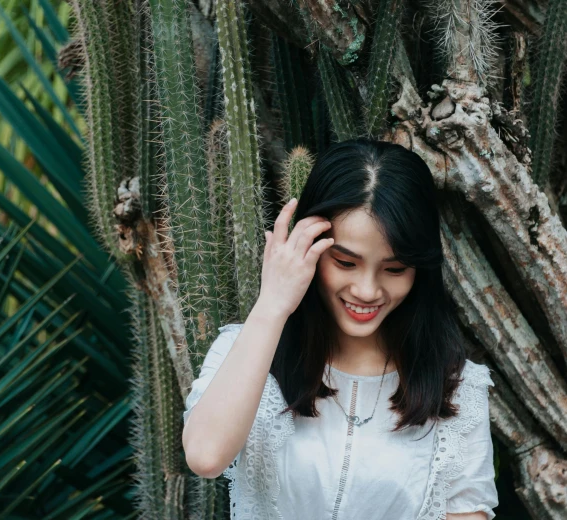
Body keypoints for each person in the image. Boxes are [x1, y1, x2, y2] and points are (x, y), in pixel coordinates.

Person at [181, 138, 499, 520]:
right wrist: (272, 303)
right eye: (346, 262)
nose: (367, 290)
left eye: (394, 269)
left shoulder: (459, 387)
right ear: (311, 247)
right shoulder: (245, 349)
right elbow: (205, 456)